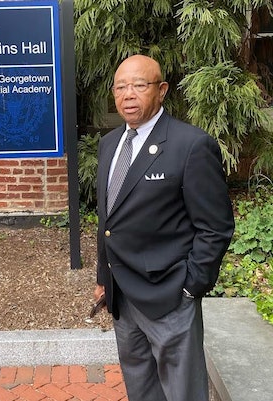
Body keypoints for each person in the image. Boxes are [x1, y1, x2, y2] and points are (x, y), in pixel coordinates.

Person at [94, 55, 234, 401]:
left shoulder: (191, 145)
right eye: (121, 86)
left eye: (139, 85)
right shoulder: (109, 144)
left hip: (170, 296)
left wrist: (190, 287)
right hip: (123, 298)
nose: (129, 94)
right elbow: (108, 220)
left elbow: (215, 226)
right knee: (141, 389)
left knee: (183, 393)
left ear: (162, 90)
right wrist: (103, 278)